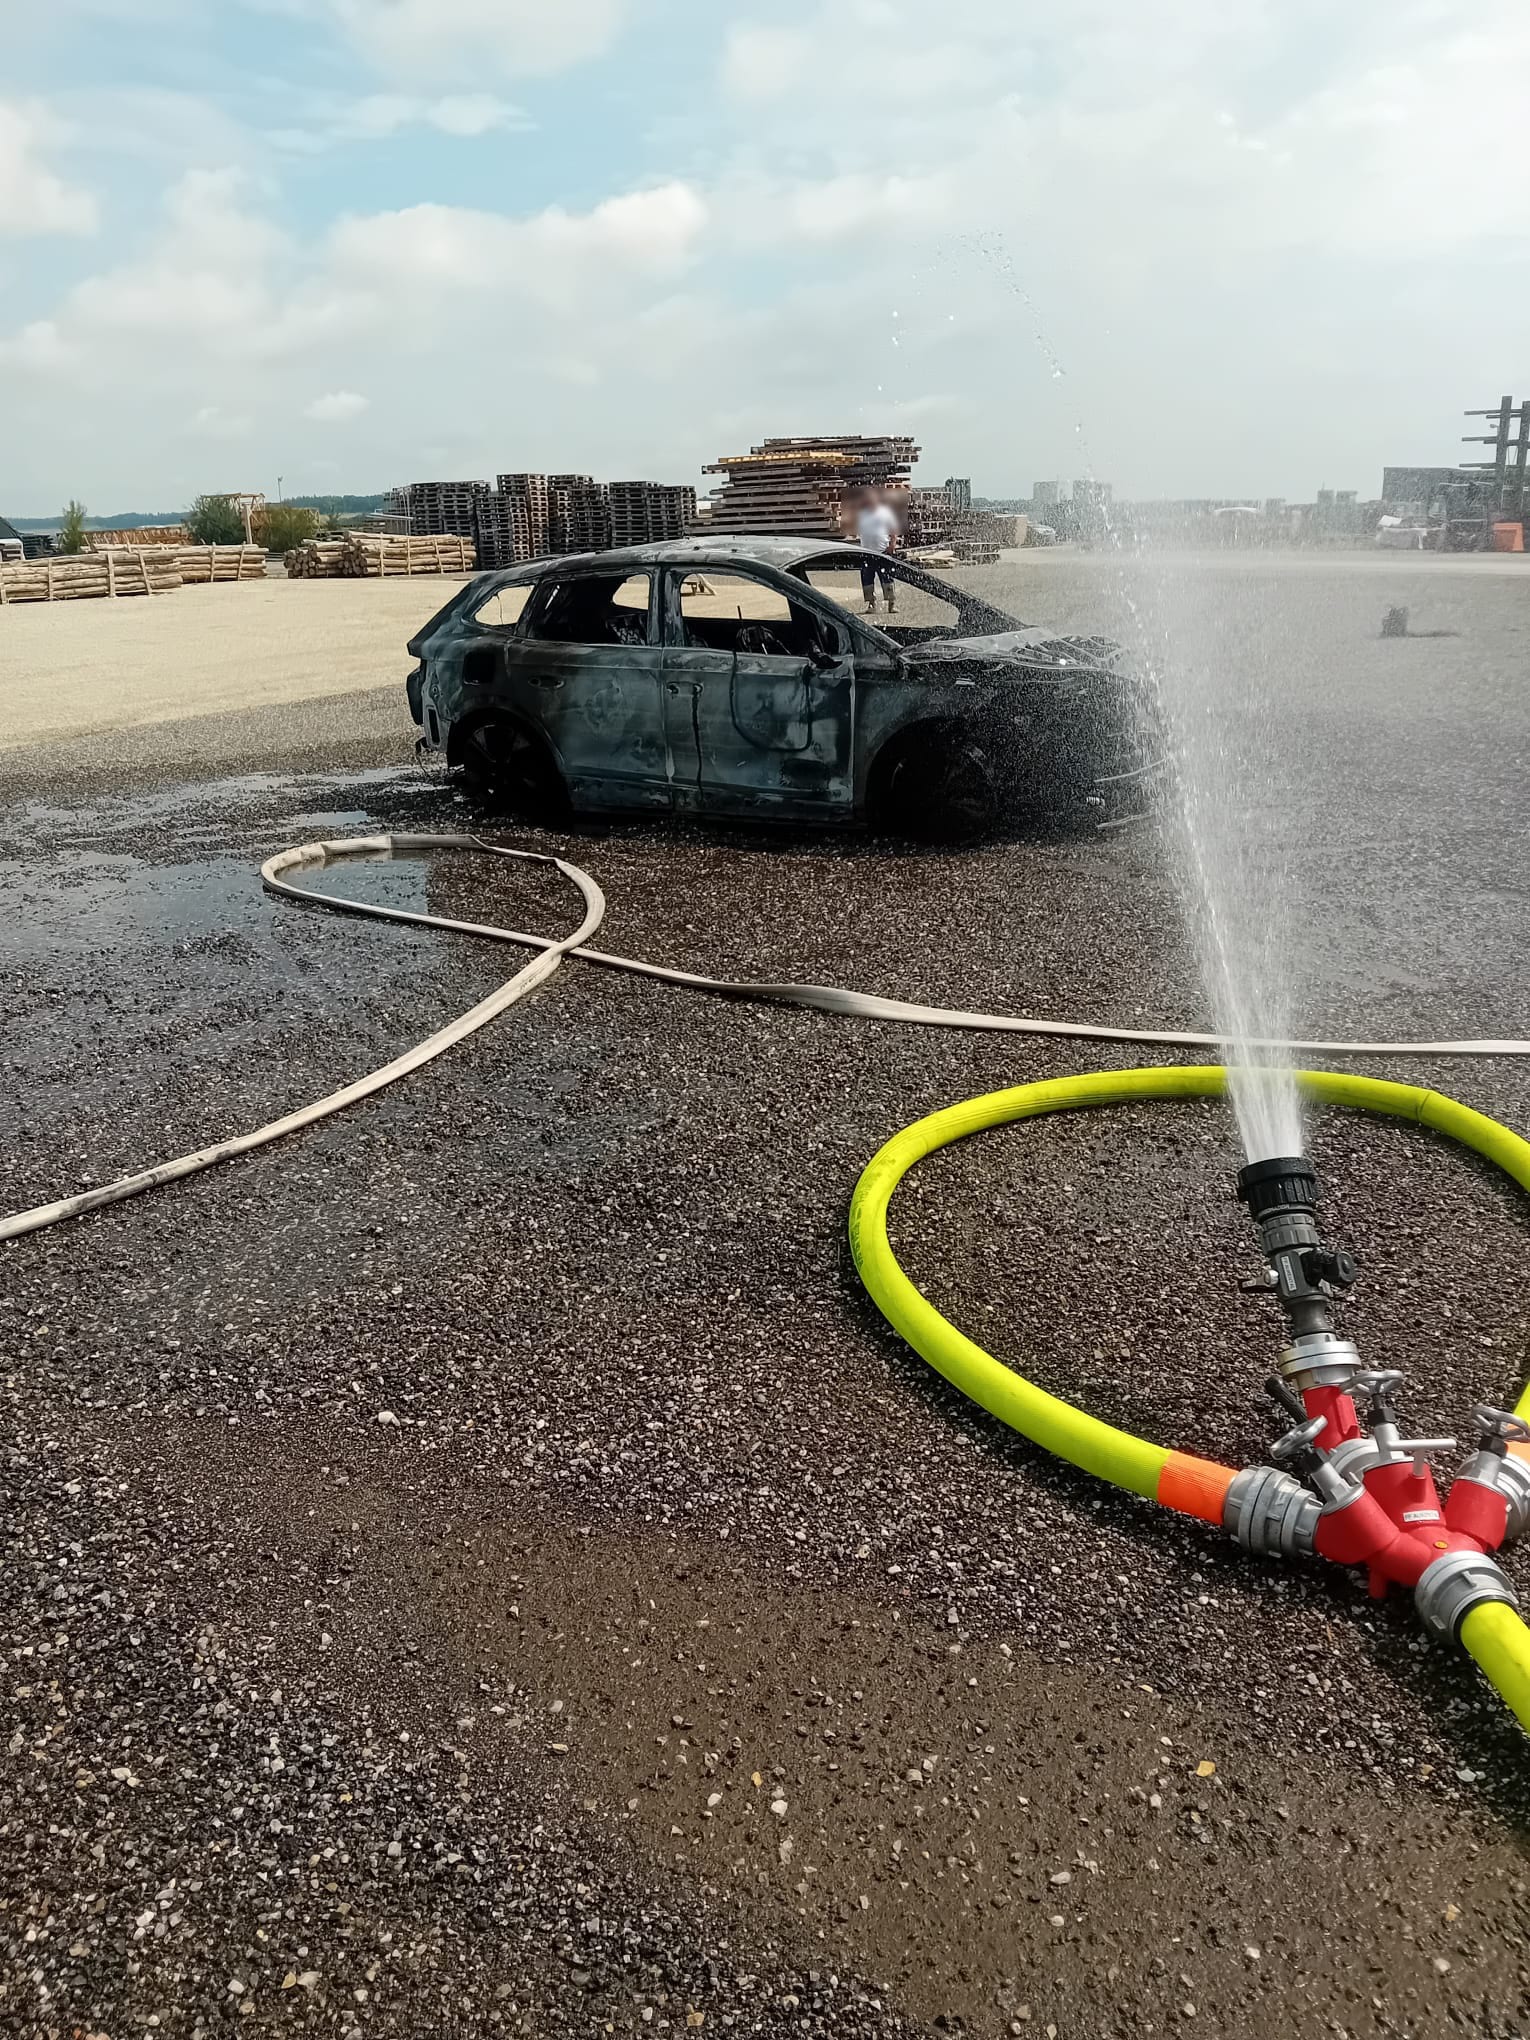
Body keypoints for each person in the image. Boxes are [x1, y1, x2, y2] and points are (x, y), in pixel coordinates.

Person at [855, 489, 900, 613]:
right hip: (866, 553)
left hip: (882, 552)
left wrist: (892, 545)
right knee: (867, 580)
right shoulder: (862, 514)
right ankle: (871, 604)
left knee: (887, 578)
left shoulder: (885, 513)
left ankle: (892, 604)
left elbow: (893, 530)